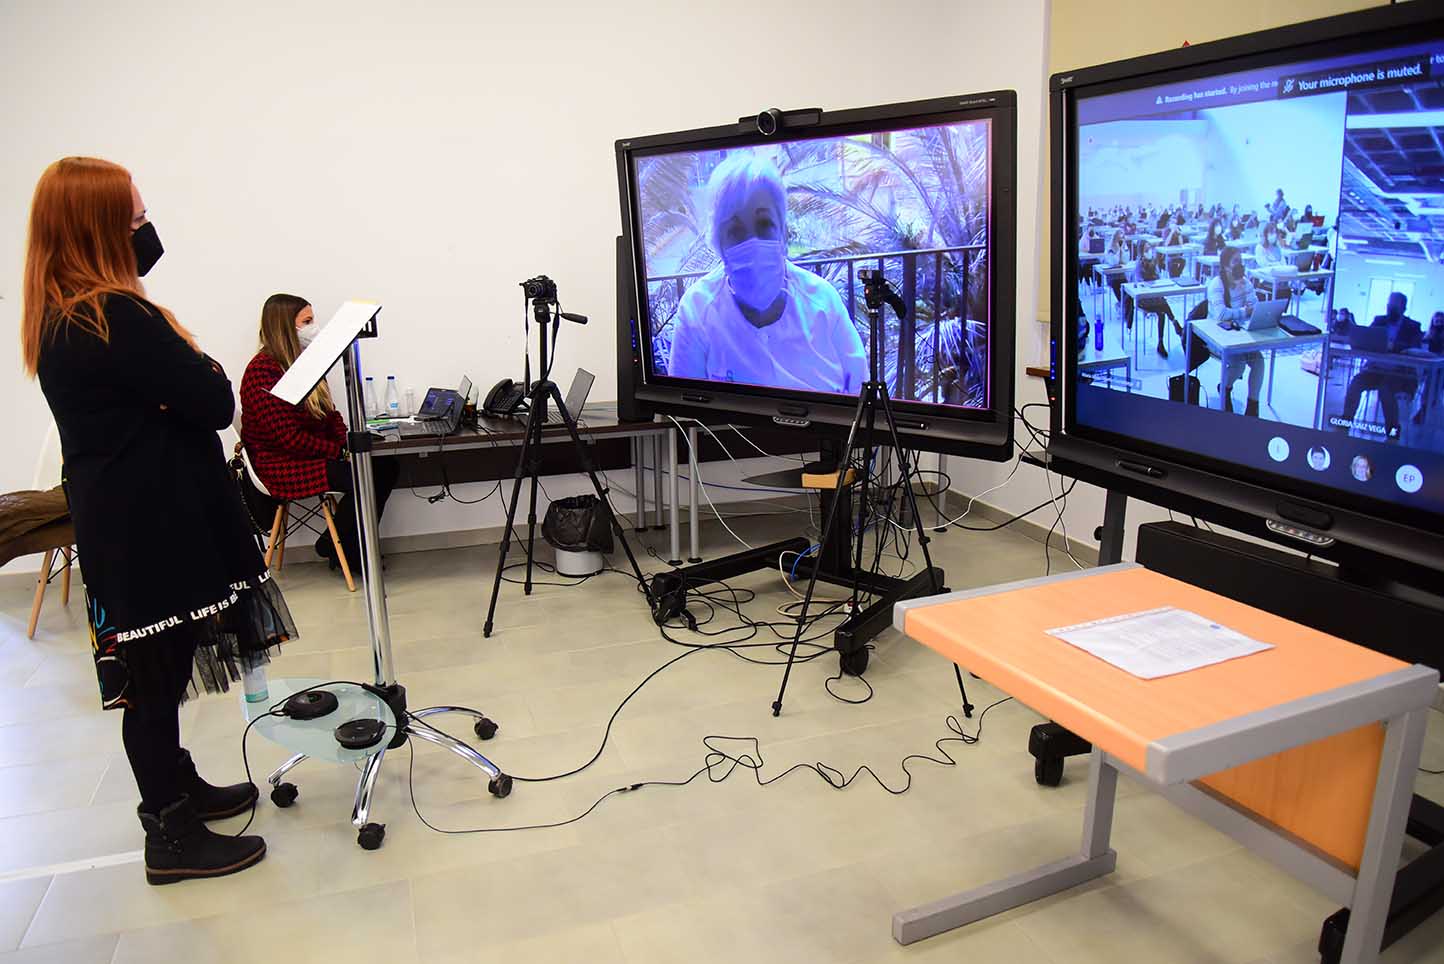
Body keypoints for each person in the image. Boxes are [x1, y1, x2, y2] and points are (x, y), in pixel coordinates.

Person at [21, 157, 288, 884]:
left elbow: (184, 397)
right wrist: (200, 372)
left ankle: (180, 787)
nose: (147, 230)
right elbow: (214, 400)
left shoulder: (66, 313)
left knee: (161, 674)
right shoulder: (113, 316)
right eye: (135, 220)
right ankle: (168, 834)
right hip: (148, 526)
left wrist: (187, 384)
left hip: (130, 518)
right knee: (152, 680)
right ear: (97, 229)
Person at [668, 154, 866, 394]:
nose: (752, 242)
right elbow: (684, 405)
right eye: (735, 230)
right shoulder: (696, 309)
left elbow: (860, 391)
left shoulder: (823, 301)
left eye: (764, 225)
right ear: (718, 242)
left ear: (783, 232)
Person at [240, 294, 400, 573]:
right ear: (285, 326)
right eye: (307, 321)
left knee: (384, 466)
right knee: (367, 476)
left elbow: (330, 415)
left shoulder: (307, 364)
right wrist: (339, 452)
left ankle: (335, 543)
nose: (314, 327)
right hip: (280, 463)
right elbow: (287, 438)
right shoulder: (262, 371)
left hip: (310, 454)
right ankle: (349, 551)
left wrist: (345, 443)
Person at [1338, 292, 1423, 440]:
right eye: (1389, 305)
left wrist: (1392, 346)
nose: (1390, 309)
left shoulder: (1413, 326)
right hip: (1375, 369)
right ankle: (1346, 421)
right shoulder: (1379, 320)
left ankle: (1393, 430)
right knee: (1356, 383)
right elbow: (1367, 337)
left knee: (1386, 389)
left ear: (1403, 308)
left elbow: (1414, 347)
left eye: (1394, 306)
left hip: (1400, 372)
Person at [1206, 246, 1264, 415]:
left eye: (1241, 261)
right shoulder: (1216, 284)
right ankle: (1225, 389)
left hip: (1241, 334)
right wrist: (1244, 311)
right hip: (1217, 336)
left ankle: (1253, 405)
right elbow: (1221, 314)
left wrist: (1248, 306)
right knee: (1238, 364)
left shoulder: (1245, 282)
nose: (1240, 265)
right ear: (1225, 266)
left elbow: (1255, 306)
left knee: (1259, 362)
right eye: (1236, 261)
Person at [1127, 240, 1178, 357]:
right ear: (1141, 251)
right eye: (1146, 249)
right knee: (1163, 306)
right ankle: (1175, 324)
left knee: (1162, 310)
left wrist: (1154, 275)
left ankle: (1161, 342)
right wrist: (1152, 280)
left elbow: (1158, 277)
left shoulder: (1154, 262)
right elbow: (1142, 282)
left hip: (1155, 297)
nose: (1149, 251)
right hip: (1143, 299)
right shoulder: (1139, 264)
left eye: (1149, 248)